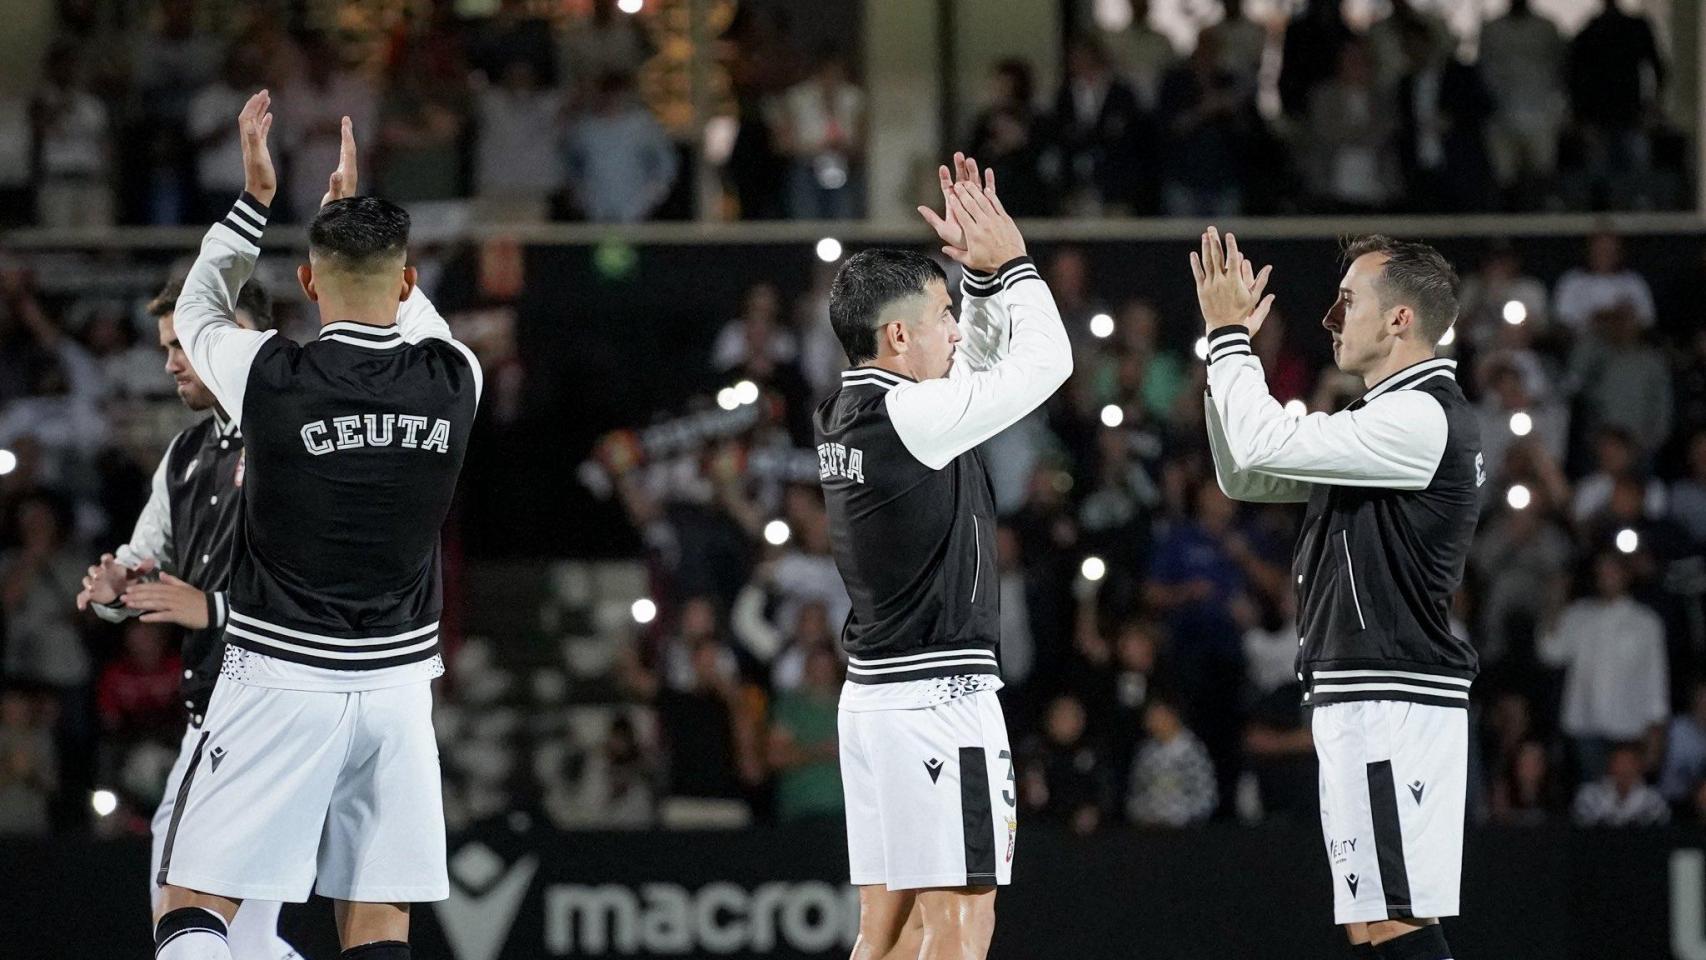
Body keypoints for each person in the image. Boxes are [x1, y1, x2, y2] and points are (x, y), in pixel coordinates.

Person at [148, 92, 480, 960]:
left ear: (305, 283)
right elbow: (412, 315)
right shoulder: (456, 377)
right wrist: (354, 218)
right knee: (377, 920)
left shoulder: (268, 375)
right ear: (407, 282)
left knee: (190, 900)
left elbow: (196, 309)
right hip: (398, 687)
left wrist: (256, 197)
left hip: (279, 673)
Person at [1194, 229, 1482, 960]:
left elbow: (1261, 446)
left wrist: (1229, 338)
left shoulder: (1420, 417)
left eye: (1348, 300)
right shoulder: (1383, 417)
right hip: (1367, 691)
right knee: (1373, 923)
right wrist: (1223, 355)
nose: (1331, 318)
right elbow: (1247, 475)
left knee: (1395, 920)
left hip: (1393, 695)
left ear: (1400, 319)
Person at [816, 153, 1071, 960]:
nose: (954, 328)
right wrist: (1015, 264)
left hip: (877, 698)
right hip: (938, 698)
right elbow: (1045, 365)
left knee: (891, 930)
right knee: (961, 924)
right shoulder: (914, 419)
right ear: (898, 335)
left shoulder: (851, 409)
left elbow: (978, 370)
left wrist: (981, 285)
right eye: (942, 315)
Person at [72, 274, 301, 960]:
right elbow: (142, 564)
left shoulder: (299, 439)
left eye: (183, 344)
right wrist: (114, 589)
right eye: (166, 347)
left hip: (280, 716)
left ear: (242, 340)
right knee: (239, 940)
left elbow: (339, 588)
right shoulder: (185, 456)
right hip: (213, 717)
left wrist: (214, 607)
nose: (170, 363)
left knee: (189, 926)